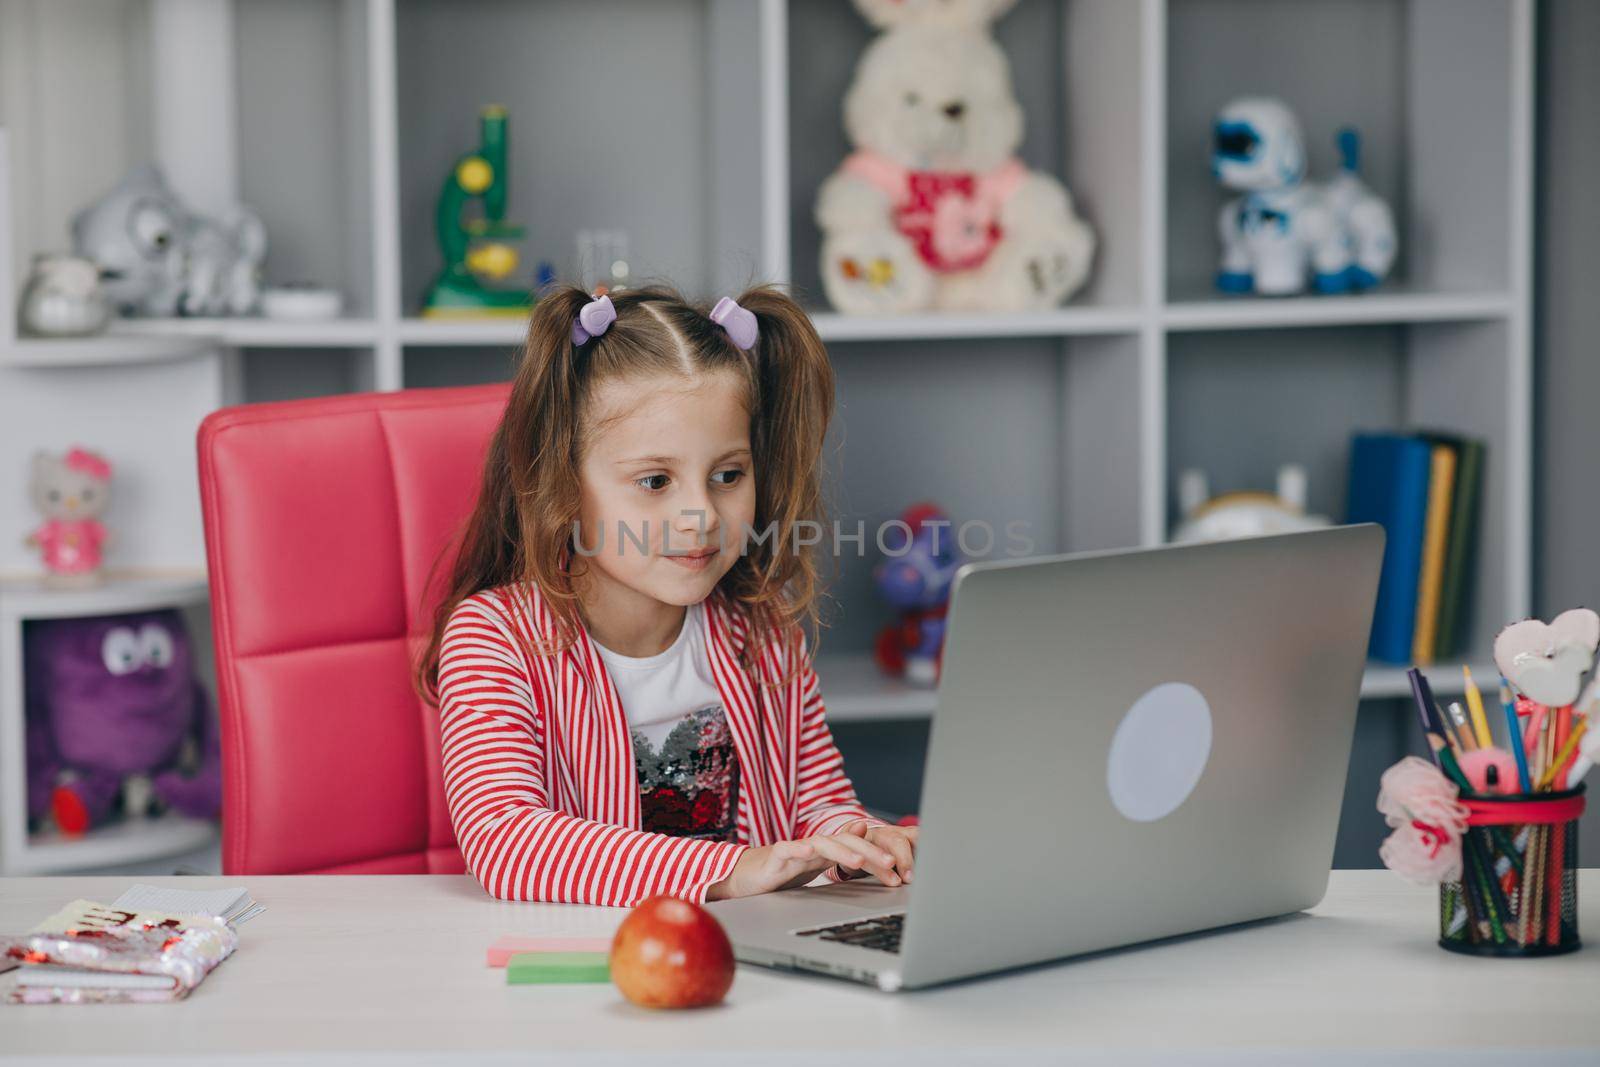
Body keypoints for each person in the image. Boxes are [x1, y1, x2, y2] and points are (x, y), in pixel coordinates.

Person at [414, 284, 918, 906]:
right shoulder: (496, 639)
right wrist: (736, 871)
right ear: (563, 485)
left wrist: (855, 841)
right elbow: (508, 842)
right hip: (590, 965)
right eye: (655, 481)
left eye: (728, 475)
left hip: (752, 956)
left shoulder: (759, 631)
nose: (700, 514)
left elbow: (815, 799)